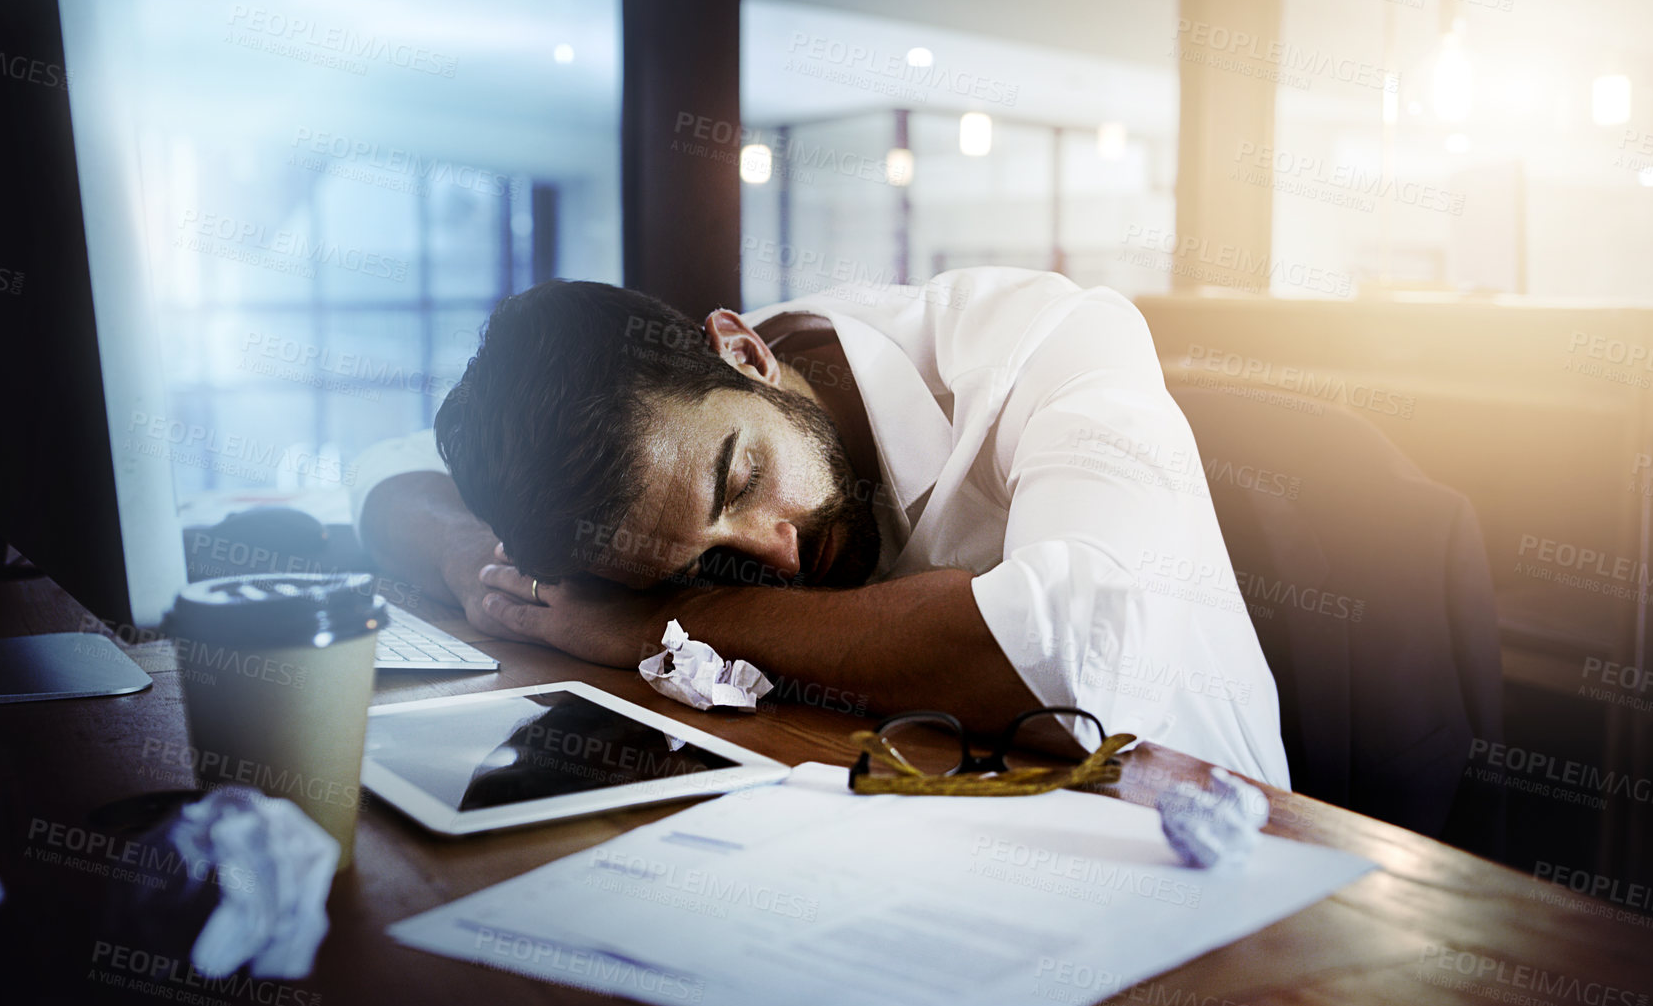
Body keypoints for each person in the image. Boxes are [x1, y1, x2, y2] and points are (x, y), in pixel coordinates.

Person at [350, 267, 1291, 786]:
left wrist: (658, 623)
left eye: (745, 478)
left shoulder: (1049, 344)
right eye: (703, 562)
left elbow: (1061, 653)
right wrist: (490, 574)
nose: (778, 550)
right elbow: (387, 482)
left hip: (1212, 863)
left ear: (744, 351)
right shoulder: (676, 413)